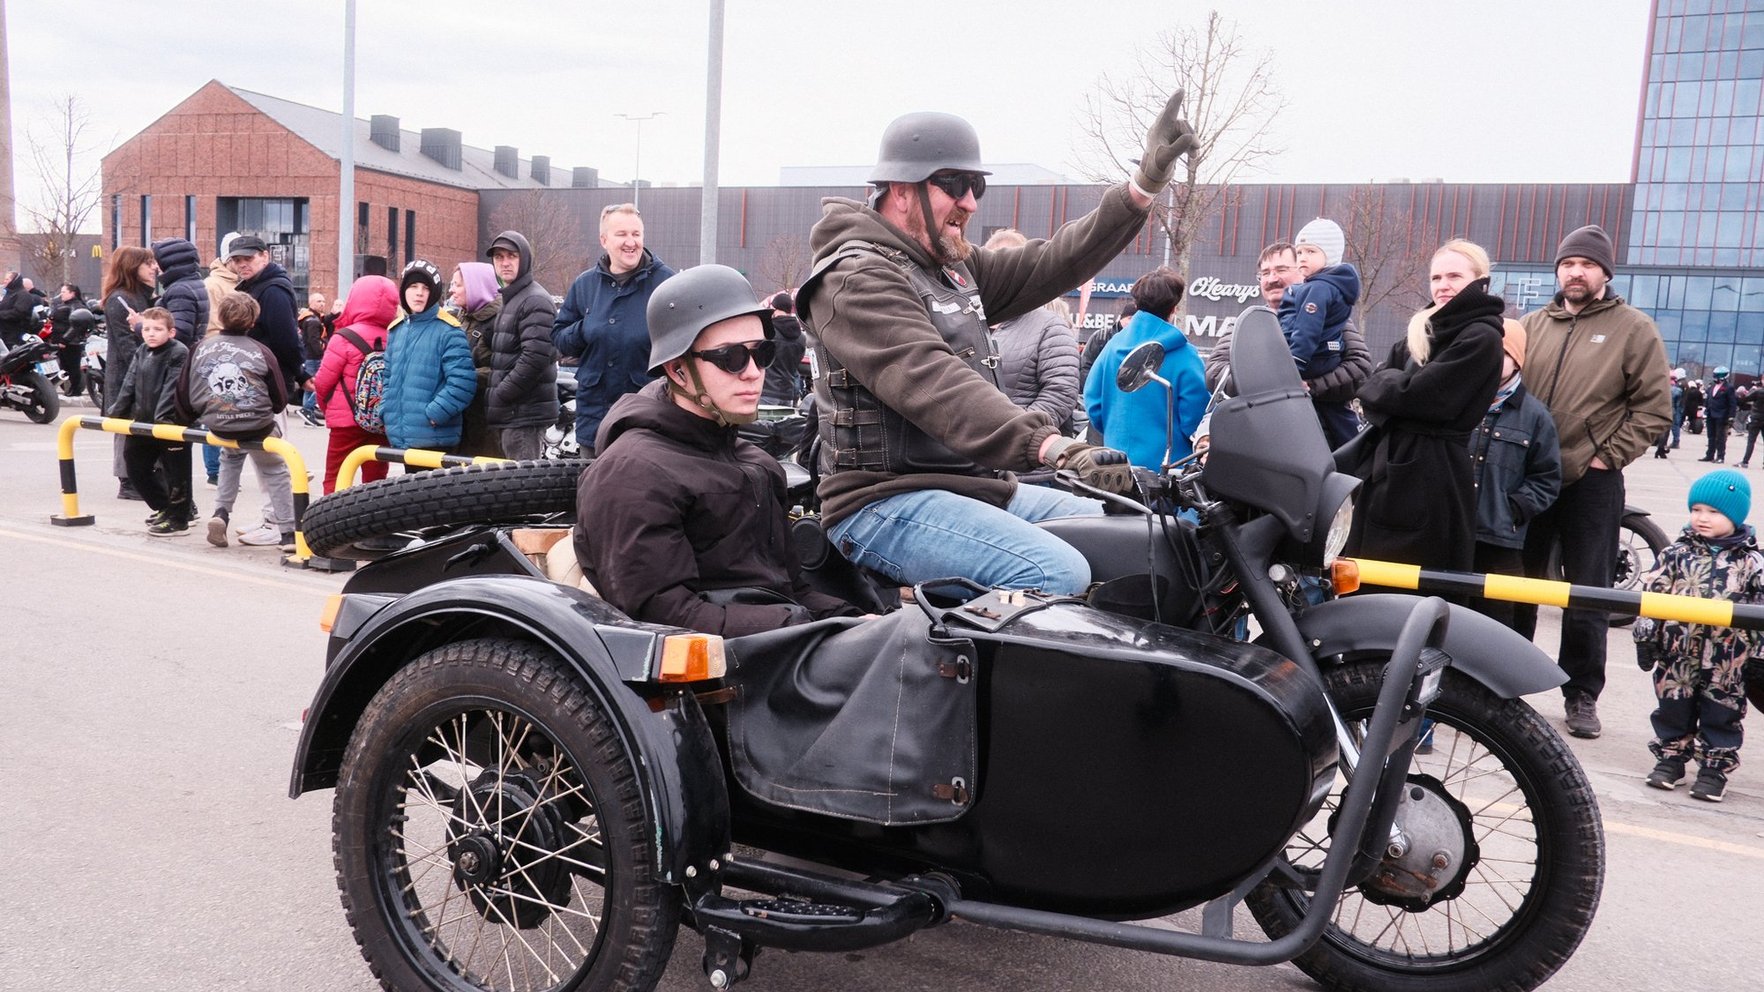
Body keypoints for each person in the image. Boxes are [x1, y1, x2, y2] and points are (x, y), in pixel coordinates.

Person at [798, 99, 1194, 593]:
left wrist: (1139, 190)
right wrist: (1051, 446)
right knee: (1055, 572)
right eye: (954, 184)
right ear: (901, 191)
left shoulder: (948, 267)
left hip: (978, 488)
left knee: (1143, 537)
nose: (970, 203)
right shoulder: (855, 276)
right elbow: (935, 382)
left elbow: (1050, 262)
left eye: (976, 186)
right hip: (883, 501)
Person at [575, 264, 865, 635]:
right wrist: (807, 627)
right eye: (731, 358)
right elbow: (662, 616)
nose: (752, 372)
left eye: (761, 353)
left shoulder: (757, 463)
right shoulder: (633, 474)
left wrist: (855, 621)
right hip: (711, 678)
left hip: (776, 650)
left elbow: (792, 590)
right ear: (678, 370)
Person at [1515, 224, 1672, 739]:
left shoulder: (1633, 328)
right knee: (1515, 584)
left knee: (1589, 591)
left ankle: (1581, 693)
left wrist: (1608, 457)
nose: (1574, 272)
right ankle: (1502, 680)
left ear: (1605, 272)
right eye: (1567, 263)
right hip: (1530, 477)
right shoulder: (1532, 325)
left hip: (1592, 480)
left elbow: (1653, 410)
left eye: (1585, 264)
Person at [1346, 239, 1505, 576]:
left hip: (1433, 475)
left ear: (1479, 280)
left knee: (1413, 580)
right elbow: (1378, 386)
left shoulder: (1482, 336)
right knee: (1369, 577)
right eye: (1436, 278)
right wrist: (1390, 390)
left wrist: (1387, 387)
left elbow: (1419, 395)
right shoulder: (1424, 327)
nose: (1443, 286)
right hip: (1391, 466)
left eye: (1454, 276)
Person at [1631, 469, 1763, 802]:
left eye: (1714, 512)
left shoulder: (1752, 564)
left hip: (1729, 660)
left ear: (1736, 515)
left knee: (1724, 713)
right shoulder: (1675, 555)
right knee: (1672, 707)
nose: (1702, 518)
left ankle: (1714, 768)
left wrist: (1760, 655)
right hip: (1677, 653)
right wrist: (1646, 631)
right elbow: (1653, 594)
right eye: (1696, 510)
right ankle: (1671, 758)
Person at [1202, 241, 1372, 427]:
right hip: (1260, 434)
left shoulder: (1332, 319)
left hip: (1322, 437)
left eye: (1281, 270)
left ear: (1302, 270)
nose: (1272, 279)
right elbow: (1215, 372)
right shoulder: (1244, 324)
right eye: (1265, 273)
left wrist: (1312, 385)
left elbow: (1360, 369)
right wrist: (1267, 383)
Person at [551, 204, 677, 452]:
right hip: (594, 419)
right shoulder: (584, 285)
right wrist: (585, 329)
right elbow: (559, 336)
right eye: (622, 234)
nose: (631, 242)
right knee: (594, 487)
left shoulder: (666, 285)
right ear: (604, 240)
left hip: (648, 420)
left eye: (636, 234)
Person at [176, 291, 296, 549]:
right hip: (258, 425)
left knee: (229, 459)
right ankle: (288, 531)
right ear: (253, 322)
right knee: (275, 470)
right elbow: (279, 397)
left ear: (220, 317)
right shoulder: (261, 351)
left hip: (220, 423)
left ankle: (221, 514)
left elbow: (185, 389)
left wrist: (192, 416)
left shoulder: (200, 347)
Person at [1466, 320, 1561, 629]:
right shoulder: (1458, 404)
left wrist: (1513, 510)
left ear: (1517, 360)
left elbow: (1546, 478)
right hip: (1455, 538)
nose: (1491, 361)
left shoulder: (1535, 416)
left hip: (1502, 544)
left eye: (1501, 353)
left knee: (1497, 627)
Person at [1084, 266, 1207, 471]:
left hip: (1117, 466)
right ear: (1173, 308)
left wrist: (1116, 429)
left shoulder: (1112, 347)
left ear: (1136, 303)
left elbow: (1094, 404)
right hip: (1170, 471)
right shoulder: (1185, 355)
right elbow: (1195, 420)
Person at [984, 229, 1082, 441]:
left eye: (1010, 264)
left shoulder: (1050, 327)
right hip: (969, 462)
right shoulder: (967, 319)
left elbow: (1061, 393)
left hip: (1025, 464)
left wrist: (1015, 437)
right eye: (994, 264)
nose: (1001, 273)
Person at [1278, 219, 1363, 448]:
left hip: (1312, 358)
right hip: (1327, 356)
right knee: (1335, 412)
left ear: (1330, 255)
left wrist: (1292, 365)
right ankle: (1353, 444)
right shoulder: (1333, 286)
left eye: (1311, 251)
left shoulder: (1317, 288)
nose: (1303, 257)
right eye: (1299, 252)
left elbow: (1307, 331)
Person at [107, 307, 191, 536]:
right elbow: (130, 382)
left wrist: (162, 421)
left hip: (170, 424)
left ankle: (179, 518)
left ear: (171, 332)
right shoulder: (142, 350)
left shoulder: (179, 352)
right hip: (143, 422)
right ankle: (165, 507)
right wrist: (116, 412)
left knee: (177, 475)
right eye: (146, 329)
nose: (151, 333)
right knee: (135, 464)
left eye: (157, 329)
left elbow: (171, 388)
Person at [313, 275, 398, 493]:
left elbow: (323, 383)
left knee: (336, 476)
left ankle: (332, 522)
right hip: (380, 421)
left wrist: (329, 409)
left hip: (345, 423)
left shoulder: (344, 337)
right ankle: (372, 523)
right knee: (376, 480)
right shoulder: (396, 337)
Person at [382, 260, 476, 455]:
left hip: (435, 438)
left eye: (425, 288)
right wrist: (385, 409)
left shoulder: (448, 330)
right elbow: (388, 377)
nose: (419, 293)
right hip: (401, 436)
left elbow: (463, 382)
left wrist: (435, 414)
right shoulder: (397, 330)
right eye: (413, 286)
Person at [483, 231, 559, 460]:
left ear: (524, 258)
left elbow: (535, 357)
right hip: (512, 414)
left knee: (524, 489)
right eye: (499, 257)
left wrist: (502, 393)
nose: (504, 263)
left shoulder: (534, 299)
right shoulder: (513, 298)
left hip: (523, 415)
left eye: (511, 256)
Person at [101, 246, 159, 500]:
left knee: (141, 428)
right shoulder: (121, 299)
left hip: (139, 375)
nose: (154, 268)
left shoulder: (144, 296)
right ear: (132, 267)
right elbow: (129, 347)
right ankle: (127, 481)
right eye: (148, 264)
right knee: (125, 428)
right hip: (126, 377)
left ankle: (140, 476)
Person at [228, 235, 307, 399]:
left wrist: (299, 373)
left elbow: (286, 340)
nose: (242, 264)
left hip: (268, 380)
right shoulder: (254, 286)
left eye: (248, 258)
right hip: (258, 377)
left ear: (265, 256)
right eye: (237, 260)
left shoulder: (273, 290)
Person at [197, 232, 243, 486]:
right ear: (227, 259)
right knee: (217, 414)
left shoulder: (241, 283)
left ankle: (226, 466)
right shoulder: (213, 285)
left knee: (234, 414)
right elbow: (211, 325)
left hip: (239, 356)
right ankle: (214, 469)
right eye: (236, 258)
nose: (240, 263)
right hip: (220, 358)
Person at [447, 262, 504, 459]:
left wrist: (464, 377)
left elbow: (504, 371)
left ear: (475, 286)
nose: (451, 290)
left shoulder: (499, 322)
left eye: (457, 285)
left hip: (486, 424)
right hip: (464, 418)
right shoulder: (463, 317)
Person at [150, 238, 211, 348]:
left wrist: (140, 326)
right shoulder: (193, 283)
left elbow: (180, 333)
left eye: (157, 261)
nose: (155, 266)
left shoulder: (180, 290)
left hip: (177, 360)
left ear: (170, 262)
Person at [760, 291, 808, 407]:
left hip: (767, 392)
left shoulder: (768, 332)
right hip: (788, 394)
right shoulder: (801, 338)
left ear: (775, 309)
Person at [297, 292, 331, 427]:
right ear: (310, 303)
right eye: (318, 301)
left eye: (323, 301)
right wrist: (321, 354)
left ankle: (308, 415)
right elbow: (313, 341)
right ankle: (308, 409)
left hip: (309, 356)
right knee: (322, 385)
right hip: (314, 357)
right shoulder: (312, 320)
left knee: (309, 386)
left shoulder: (311, 319)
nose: (322, 304)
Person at [47, 283, 86, 395]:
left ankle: (75, 390)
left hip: (71, 342)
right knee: (65, 366)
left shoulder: (77, 307)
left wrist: (65, 340)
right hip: (61, 340)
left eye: (64, 292)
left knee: (73, 366)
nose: (61, 294)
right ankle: (70, 389)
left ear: (72, 293)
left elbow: (76, 326)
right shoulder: (62, 304)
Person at [1698, 366, 1735, 463]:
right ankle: (1709, 455)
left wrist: (1731, 416)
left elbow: (1732, 403)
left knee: (1720, 437)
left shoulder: (1729, 388)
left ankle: (1720, 457)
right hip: (1711, 414)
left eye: (1717, 375)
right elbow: (1708, 399)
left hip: (1722, 416)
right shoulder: (1712, 387)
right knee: (1711, 436)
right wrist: (1705, 410)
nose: (1715, 377)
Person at [0, 270, 35, 347]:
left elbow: (18, 313)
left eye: (7, 279)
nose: (4, 281)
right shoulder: (8, 294)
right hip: (4, 333)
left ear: (14, 281)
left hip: (16, 335)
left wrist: (1, 314)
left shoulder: (23, 295)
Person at [1656, 368, 1684, 459]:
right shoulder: (1677, 390)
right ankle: (1661, 449)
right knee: (1665, 432)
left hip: (1660, 411)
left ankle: (1660, 449)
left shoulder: (1660, 388)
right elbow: (1678, 404)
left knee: (1661, 431)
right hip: (1670, 412)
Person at [1739, 375, 1764, 468]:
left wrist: (1752, 390)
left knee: (1751, 441)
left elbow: (1745, 399)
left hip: (1756, 418)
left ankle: (1745, 461)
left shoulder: (1758, 391)